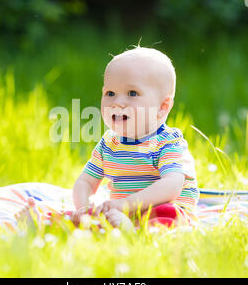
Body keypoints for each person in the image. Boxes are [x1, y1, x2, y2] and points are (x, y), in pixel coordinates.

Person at [71, 46, 199, 230]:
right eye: (110, 93)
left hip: (160, 212)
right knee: (81, 219)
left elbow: (172, 185)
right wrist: (84, 208)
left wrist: (127, 205)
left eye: (132, 93)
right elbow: (85, 182)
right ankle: (44, 219)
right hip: (120, 213)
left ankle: (135, 230)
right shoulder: (109, 144)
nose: (117, 102)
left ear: (163, 106)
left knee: (169, 215)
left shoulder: (167, 143)